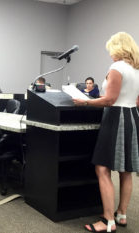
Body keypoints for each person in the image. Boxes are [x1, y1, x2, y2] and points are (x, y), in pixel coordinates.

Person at [73, 32, 139, 232]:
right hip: (132, 117)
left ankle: (108, 222)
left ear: (118, 48)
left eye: (111, 49)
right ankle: (121, 214)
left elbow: (110, 100)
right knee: (126, 170)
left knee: (102, 168)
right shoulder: (136, 69)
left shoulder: (117, 67)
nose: (110, 53)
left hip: (115, 117)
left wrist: (85, 101)